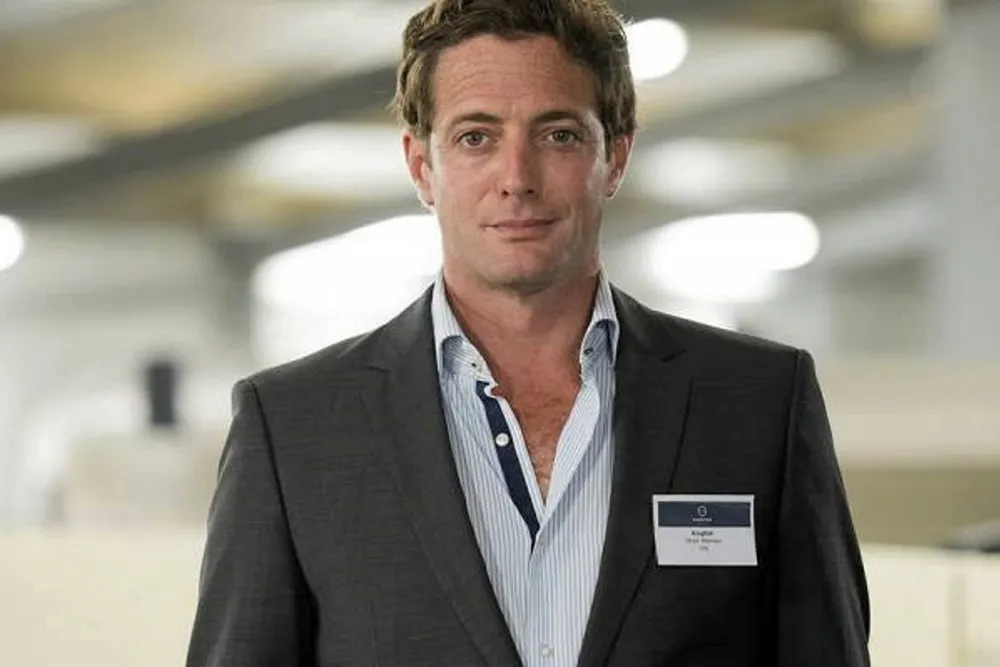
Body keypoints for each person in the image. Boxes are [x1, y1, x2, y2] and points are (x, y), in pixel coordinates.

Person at [185, 0, 871, 665]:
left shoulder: (757, 402)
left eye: (558, 134)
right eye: (475, 137)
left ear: (616, 155)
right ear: (422, 166)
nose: (516, 178)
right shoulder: (294, 427)